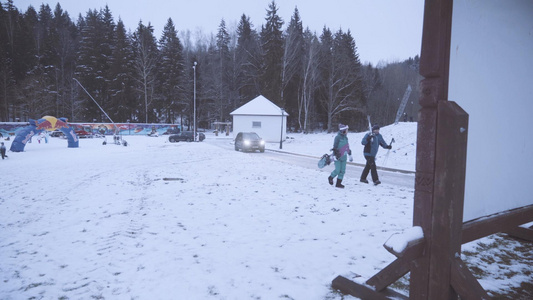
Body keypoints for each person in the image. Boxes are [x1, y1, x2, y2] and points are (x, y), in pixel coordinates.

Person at [328, 124, 353, 188]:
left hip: (344, 157)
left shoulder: (346, 138)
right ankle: (331, 177)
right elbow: (335, 147)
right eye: (346, 130)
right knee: (337, 170)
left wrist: (350, 154)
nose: (347, 131)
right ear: (343, 130)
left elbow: (347, 147)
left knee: (342, 171)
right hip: (338, 157)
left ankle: (338, 183)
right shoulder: (337, 137)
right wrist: (334, 155)